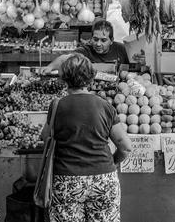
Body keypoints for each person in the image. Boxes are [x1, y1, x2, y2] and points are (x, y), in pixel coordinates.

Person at [41, 53, 132, 222]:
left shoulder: (57, 105)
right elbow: (126, 147)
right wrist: (112, 162)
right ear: (91, 78)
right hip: (103, 180)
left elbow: (45, 137)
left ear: (64, 79)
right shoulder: (105, 106)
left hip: (66, 181)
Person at [42, 20, 129, 74]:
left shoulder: (122, 49)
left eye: (103, 40)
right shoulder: (85, 51)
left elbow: (136, 66)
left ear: (111, 40)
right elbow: (65, 59)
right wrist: (50, 67)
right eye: (95, 39)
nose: (98, 44)